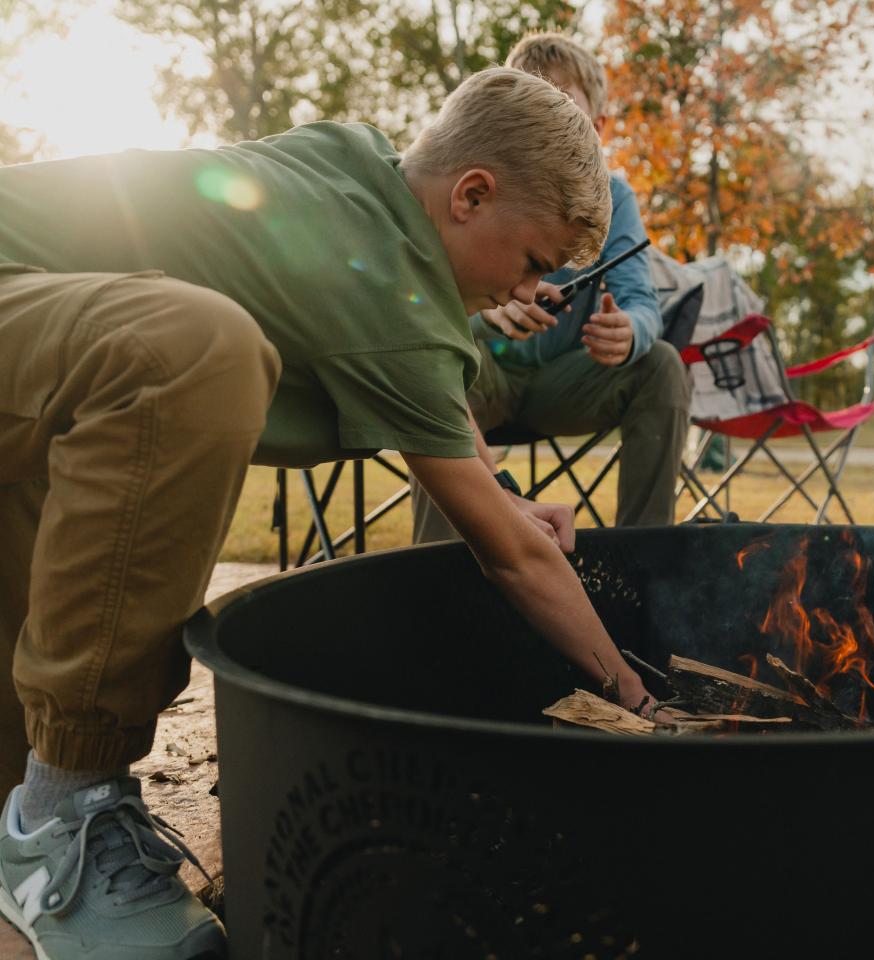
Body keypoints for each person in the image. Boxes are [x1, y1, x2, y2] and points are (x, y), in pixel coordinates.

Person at [0, 66, 662, 958]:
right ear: (472, 195)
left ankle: (32, 824)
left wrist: (500, 494)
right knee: (193, 347)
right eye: (535, 262)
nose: (526, 286)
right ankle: (66, 806)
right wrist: (635, 699)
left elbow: (430, 380)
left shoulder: (356, 168)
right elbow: (514, 558)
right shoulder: (386, 286)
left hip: (35, 363)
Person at [411, 32, 691, 541]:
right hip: (480, 373)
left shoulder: (616, 197)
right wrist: (484, 313)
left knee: (662, 365)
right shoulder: (475, 182)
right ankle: (441, 566)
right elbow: (421, 301)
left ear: (600, 128)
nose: (552, 123)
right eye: (536, 103)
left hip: (563, 382)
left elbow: (642, 302)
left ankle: (646, 561)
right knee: (438, 361)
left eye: (565, 106)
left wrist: (630, 331)